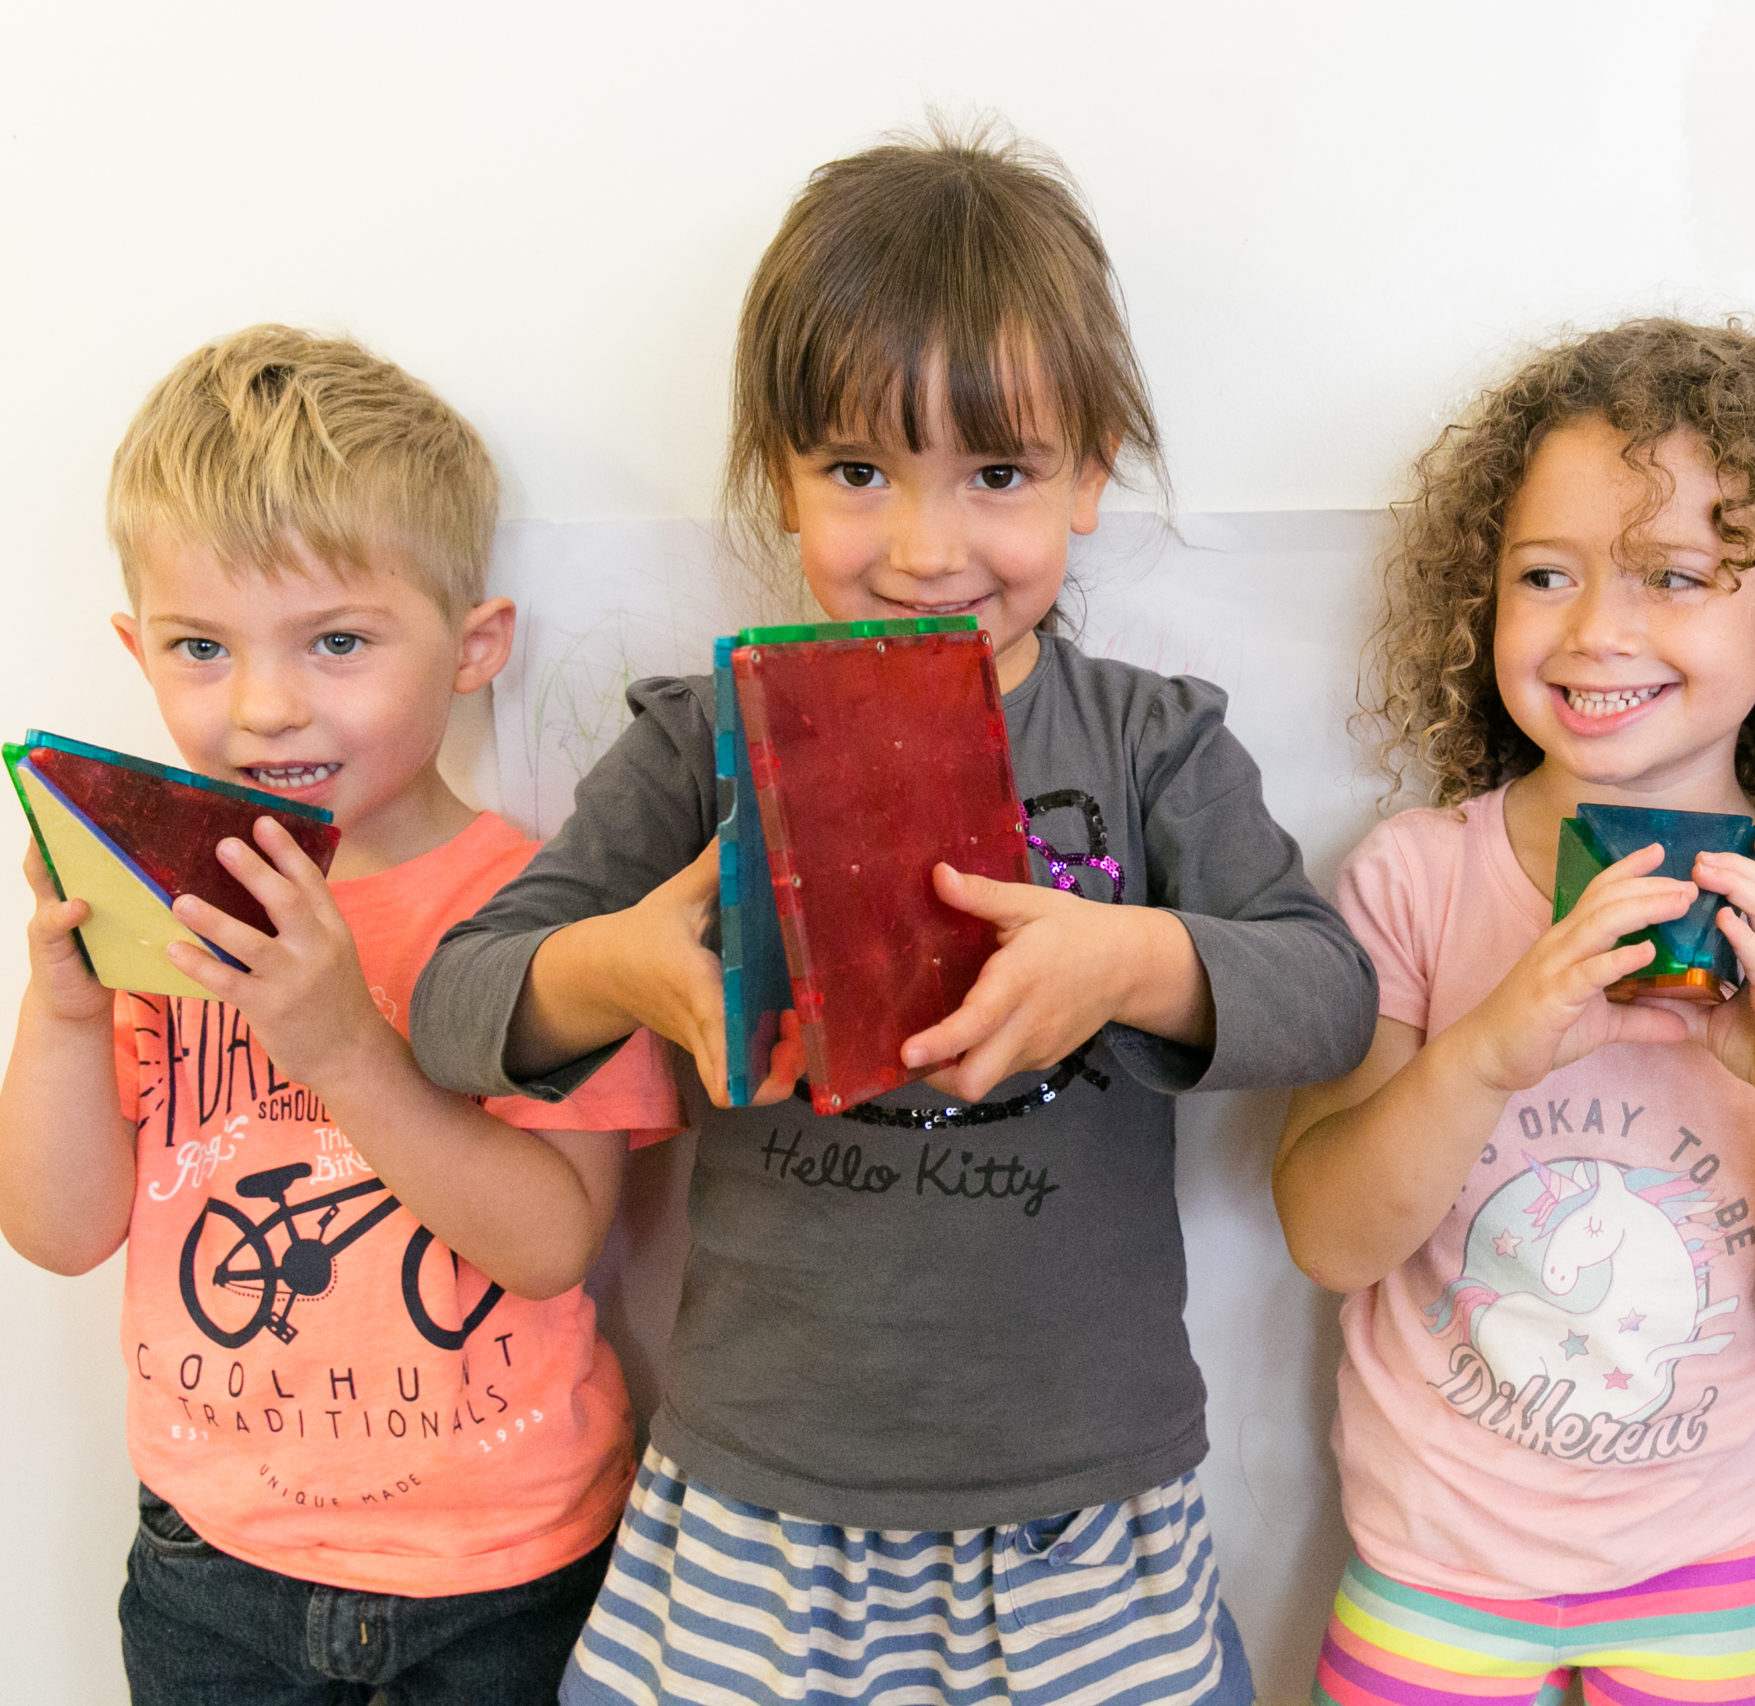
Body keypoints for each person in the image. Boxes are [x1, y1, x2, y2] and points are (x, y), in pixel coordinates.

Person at [406, 123, 1376, 1706]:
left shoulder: (1149, 742)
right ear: (781, 479)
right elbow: (456, 1005)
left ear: (1086, 480)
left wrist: (1136, 958)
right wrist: (627, 969)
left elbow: (1328, 991)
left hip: (1084, 1503)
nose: (928, 549)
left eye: (995, 476)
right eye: (860, 474)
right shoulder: (697, 740)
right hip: (761, 1501)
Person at [1274, 316, 1755, 1705]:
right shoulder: (1413, 878)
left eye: (1677, 576)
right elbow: (1326, 1235)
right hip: (1438, 1553)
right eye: (1546, 574)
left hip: (1716, 1568)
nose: (1597, 630)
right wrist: (1488, 1049)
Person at [0, 325, 679, 1704]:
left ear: (474, 645)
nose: (263, 705)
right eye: (201, 646)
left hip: (506, 1571)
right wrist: (65, 1019)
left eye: (338, 640)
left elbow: (552, 1240)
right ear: (136, 650)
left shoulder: (546, 913)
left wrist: (345, 1050)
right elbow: (59, 1231)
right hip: (214, 1569)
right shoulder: (163, 905)